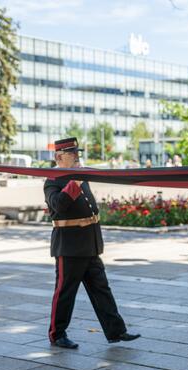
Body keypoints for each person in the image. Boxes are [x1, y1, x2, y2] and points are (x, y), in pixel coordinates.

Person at [44, 137, 140, 349]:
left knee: (101, 289)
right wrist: (75, 182)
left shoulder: (80, 176)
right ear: (59, 157)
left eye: (77, 153)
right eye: (72, 154)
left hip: (89, 244)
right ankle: (57, 334)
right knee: (65, 293)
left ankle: (116, 330)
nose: (77, 156)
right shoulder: (52, 180)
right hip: (69, 247)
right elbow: (58, 206)